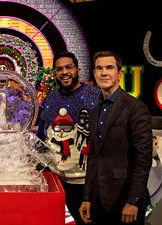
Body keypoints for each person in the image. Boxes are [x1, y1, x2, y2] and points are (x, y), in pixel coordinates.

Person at [79, 50, 153, 225]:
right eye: (99, 68)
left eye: (109, 67)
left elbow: (143, 158)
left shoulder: (136, 108)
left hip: (126, 202)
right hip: (98, 202)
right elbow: (94, 157)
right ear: (94, 73)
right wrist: (87, 196)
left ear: (119, 73)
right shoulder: (95, 111)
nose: (104, 72)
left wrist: (133, 200)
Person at [36, 50, 100, 225]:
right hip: (58, 180)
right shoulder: (51, 98)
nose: (64, 72)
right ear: (54, 73)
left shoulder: (94, 96)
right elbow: (42, 135)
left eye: (68, 67)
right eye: (59, 69)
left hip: (87, 182)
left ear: (78, 69)